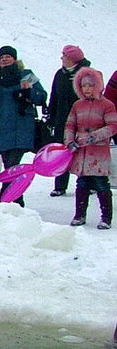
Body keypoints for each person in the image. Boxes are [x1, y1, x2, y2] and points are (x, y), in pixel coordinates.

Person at [0, 45, 46, 206]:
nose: (4, 59)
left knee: (12, 165)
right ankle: (14, 201)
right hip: (1, 128)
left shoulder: (25, 75)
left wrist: (28, 91)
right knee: (10, 166)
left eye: (8, 56)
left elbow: (41, 96)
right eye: (1, 57)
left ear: (15, 59)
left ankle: (7, 200)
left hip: (21, 128)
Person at [64, 67, 117, 229]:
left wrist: (94, 137)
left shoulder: (107, 105)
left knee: (101, 184)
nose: (87, 89)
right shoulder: (77, 105)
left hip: (98, 153)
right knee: (82, 184)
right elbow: (70, 125)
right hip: (81, 152)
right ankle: (79, 215)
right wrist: (69, 141)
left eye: (90, 85)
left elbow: (113, 126)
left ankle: (106, 217)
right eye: (84, 86)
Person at [46, 45, 91, 197]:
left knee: (83, 152)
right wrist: (51, 116)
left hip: (82, 121)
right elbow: (54, 97)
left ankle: (88, 183)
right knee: (62, 151)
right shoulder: (60, 74)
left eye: (64, 56)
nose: (61, 59)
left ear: (72, 59)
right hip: (62, 120)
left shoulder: (86, 74)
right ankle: (60, 185)